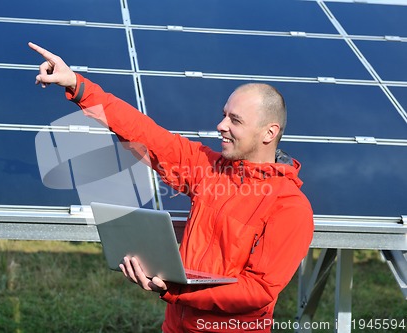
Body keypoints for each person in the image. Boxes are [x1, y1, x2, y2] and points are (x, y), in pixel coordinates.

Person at [29, 42, 314, 333]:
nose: (220, 125)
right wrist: (79, 86)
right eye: (224, 114)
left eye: (235, 120)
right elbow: (146, 135)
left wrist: (176, 290)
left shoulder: (289, 207)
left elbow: (258, 290)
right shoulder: (210, 167)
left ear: (269, 132)